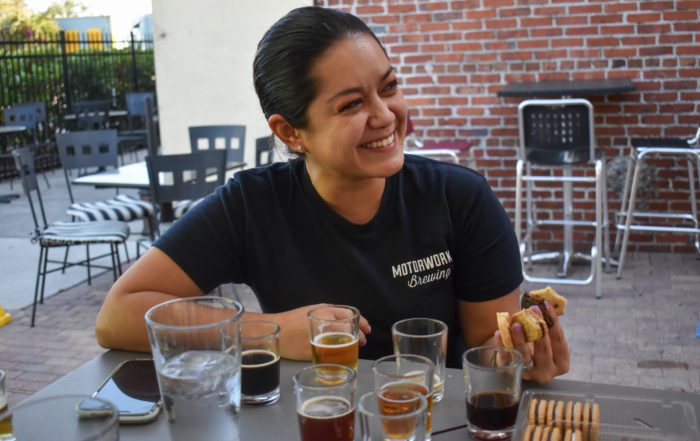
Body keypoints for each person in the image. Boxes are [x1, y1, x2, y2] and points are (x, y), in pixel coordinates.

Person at [96, 6, 569, 383]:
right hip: (313, 415)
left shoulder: (460, 199)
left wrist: (525, 361)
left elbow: (491, 345)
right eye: (352, 104)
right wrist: (268, 333)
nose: (385, 115)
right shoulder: (252, 206)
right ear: (291, 131)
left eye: (390, 87)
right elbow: (118, 315)